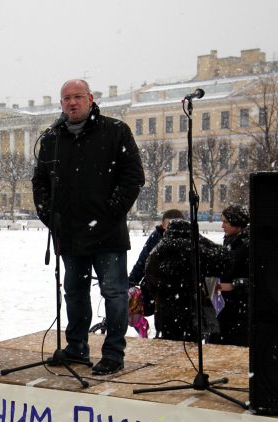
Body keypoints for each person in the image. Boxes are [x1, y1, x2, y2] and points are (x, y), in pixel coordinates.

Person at [32, 79, 144, 375]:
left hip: (107, 233)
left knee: (114, 293)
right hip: (69, 234)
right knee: (75, 292)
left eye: (78, 97)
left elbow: (133, 178)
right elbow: (40, 182)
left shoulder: (115, 131)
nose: (72, 102)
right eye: (66, 98)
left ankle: (113, 352)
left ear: (91, 99)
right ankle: (77, 347)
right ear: (61, 103)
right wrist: (51, 217)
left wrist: (109, 213)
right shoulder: (53, 138)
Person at [143, 219, 230, 342]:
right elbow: (224, 258)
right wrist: (198, 238)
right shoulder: (194, 250)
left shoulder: (158, 251)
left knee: (167, 346)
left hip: (164, 311)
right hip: (191, 309)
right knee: (191, 350)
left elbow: (150, 281)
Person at [127, 209, 184, 335]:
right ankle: (141, 326)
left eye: (175, 225)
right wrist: (131, 280)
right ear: (162, 224)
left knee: (169, 326)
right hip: (152, 288)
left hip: (177, 292)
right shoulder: (156, 237)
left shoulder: (187, 240)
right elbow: (143, 260)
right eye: (168, 225)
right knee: (128, 302)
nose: (171, 229)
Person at [213, 205, 250, 347]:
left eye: (226, 222)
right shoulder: (230, 240)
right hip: (225, 305)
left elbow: (257, 278)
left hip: (240, 308)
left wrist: (234, 284)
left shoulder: (248, 245)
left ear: (238, 223)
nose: (222, 226)